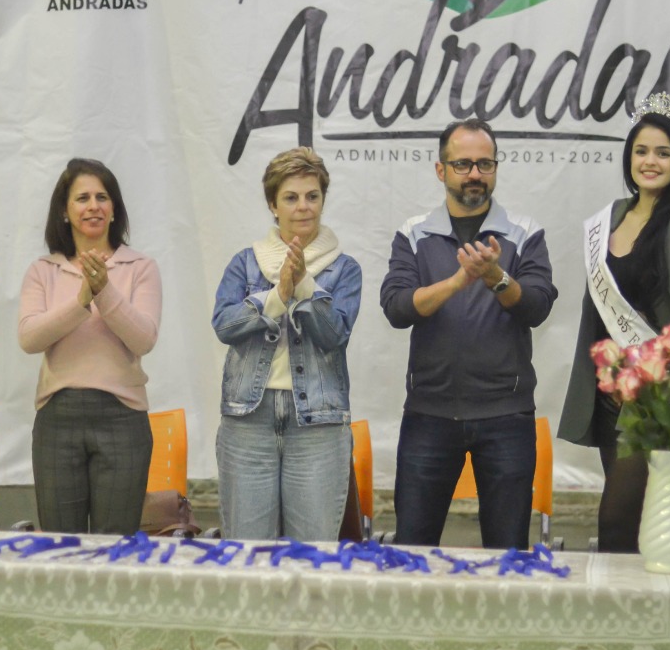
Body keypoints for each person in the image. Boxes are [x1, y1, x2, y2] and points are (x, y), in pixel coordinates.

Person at [380, 119, 557, 548]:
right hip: (429, 415)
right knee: (413, 550)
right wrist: (456, 282)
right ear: (441, 171)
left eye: (484, 163)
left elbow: (537, 306)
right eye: (462, 164)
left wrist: (497, 277)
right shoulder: (413, 233)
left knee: (506, 551)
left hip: (506, 417)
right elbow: (397, 307)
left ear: (495, 168)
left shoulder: (524, 232)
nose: (475, 174)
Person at [557, 93, 670, 552]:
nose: (650, 162)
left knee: (616, 524)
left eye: (663, 153)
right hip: (611, 396)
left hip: (658, 398)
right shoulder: (609, 218)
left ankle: (618, 616)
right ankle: (635, 616)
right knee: (635, 527)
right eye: (641, 151)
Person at [211, 148, 361, 541]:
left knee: (312, 554)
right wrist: (277, 295)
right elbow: (224, 325)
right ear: (273, 205)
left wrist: (306, 285)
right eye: (291, 198)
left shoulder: (345, 269)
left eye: (313, 196)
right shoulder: (246, 263)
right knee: (248, 552)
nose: (304, 207)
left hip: (319, 425)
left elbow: (335, 335)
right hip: (249, 419)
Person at [18, 159, 161, 533]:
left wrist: (104, 291)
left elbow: (143, 338)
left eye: (102, 197)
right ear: (65, 212)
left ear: (114, 210)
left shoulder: (140, 267)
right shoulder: (43, 270)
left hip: (122, 419)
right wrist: (82, 299)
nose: (93, 206)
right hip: (57, 420)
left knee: (114, 549)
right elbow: (30, 338)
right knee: (60, 546)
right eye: (82, 198)